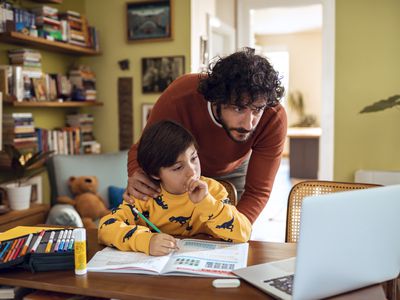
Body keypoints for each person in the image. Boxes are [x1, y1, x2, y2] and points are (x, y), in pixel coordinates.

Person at [126, 47, 287, 224]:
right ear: (217, 99)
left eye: (257, 109)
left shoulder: (273, 117)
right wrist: (137, 174)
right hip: (180, 169)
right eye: (238, 108)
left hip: (235, 170)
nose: (249, 124)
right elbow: (143, 149)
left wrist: (234, 231)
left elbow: (257, 192)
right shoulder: (179, 97)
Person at [98, 120, 251, 256]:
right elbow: (105, 228)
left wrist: (207, 203)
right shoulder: (145, 196)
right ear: (155, 173)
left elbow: (244, 233)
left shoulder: (213, 190)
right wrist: (146, 241)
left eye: (194, 158)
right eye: (178, 167)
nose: (192, 171)